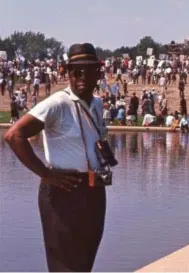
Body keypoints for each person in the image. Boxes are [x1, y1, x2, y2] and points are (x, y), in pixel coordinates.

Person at [3, 43, 109, 271]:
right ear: (67, 73)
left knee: (84, 262)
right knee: (63, 264)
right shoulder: (58, 103)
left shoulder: (97, 104)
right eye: (75, 71)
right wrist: (45, 174)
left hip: (93, 190)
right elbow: (14, 135)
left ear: (97, 73)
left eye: (86, 70)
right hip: (63, 191)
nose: (80, 76)